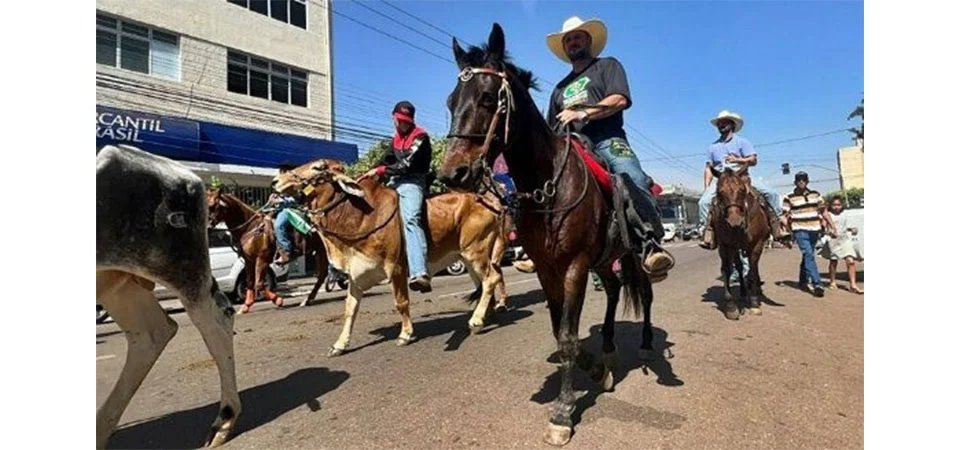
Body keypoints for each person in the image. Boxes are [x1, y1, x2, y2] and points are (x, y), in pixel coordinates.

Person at [545, 16, 672, 281]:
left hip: (607, 140)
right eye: (568, 39)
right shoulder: (559, 89)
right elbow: (550, 127)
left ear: (588, 41)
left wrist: (584, 113)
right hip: (571, 146)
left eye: (578, 37)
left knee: (632, 175)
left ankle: (650, 243)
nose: (573, 42)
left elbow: (619, 99)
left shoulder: (607, 66)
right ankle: (538, 246)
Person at [358, 101, 433, 293]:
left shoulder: (420, 137)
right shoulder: (395, 139)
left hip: (412, 182)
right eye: (399, 120)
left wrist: (381, 170)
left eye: (406, 121)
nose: (402, 124)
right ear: (393, 118)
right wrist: (366, 175)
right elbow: (385, 160)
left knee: (411, 219)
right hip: (394, 181)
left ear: (412, 121)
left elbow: (406, 165)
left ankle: (419, 272)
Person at [698, 110, 789, 250]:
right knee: (703, 202)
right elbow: (708, 168)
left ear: (732, 125)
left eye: (724, 123)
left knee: (771, 194)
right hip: (722, 180)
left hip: (742, 177)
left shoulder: (742, 142)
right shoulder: (712, 147)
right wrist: (707, 187)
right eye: (719, 123)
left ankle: (777, 226)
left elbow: (753, 160)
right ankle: (707, 232)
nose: (721, 125)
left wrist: (737, 159)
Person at [782, 172, 835, 298]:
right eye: (799, 180)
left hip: (814, 229)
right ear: (795, 182)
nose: (801, 182)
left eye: (804, 180)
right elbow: (784, 216)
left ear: (807, 181)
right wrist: (788, 231)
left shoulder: (815, 195)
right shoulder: (789, 197)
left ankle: (802, 281)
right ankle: (818, 284)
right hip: (799, 230)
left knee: (808, 255)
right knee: (808, 254)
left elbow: (824, 212)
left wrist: (832, 226)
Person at [820, 195, 863, 294]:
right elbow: (822, 229)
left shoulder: (844, 214)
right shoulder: (827, 215)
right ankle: (832, 280)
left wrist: (851, 229)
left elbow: (843, 227)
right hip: (833, 241)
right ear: (831, 205)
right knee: (834, 262)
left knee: (850, 261)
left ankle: (853, 284)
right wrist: (829, 232)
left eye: (838, 205)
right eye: (834, 205)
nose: (836, 207)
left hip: (844, 240)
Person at [273, 162, 308, 265]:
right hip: (279, 208)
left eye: (283, 171)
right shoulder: (280, 183)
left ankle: (286, 251)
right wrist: (274, 199)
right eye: (281, 171)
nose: (281, 173)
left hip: (292, 210)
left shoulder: (298, 183)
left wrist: (282, 201)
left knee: (278, 225)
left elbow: (299, 198)